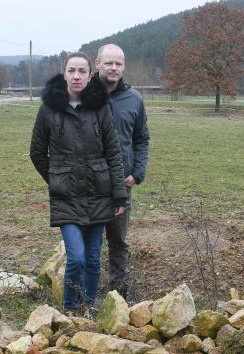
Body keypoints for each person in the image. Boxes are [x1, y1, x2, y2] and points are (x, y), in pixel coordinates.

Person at [30, 52, 127, 311]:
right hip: (67, 197)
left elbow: (114, 152)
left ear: (89, 74)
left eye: (82, 71)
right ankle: (71, 307)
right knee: (76, 258)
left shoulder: (100, 106)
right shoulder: (49, 108)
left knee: (94, 258)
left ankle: (89, 306)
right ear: (64, 74)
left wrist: (119, 195)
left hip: (99, 194)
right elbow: (37, 152)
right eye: (71, 70)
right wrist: (56, 178)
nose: (76, 76)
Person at [94, 44, 150, 298]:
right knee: (90, 242)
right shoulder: (83, 94)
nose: (114, 68)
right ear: (97, 64)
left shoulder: (134, 99)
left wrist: (137, 172)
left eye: (118, 63)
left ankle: (118, 295)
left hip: (121, 183)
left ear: (124, 66)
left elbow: (141, 139)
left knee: (118, 241)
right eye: (109, 63)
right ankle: (86, 293)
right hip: (90, 184)